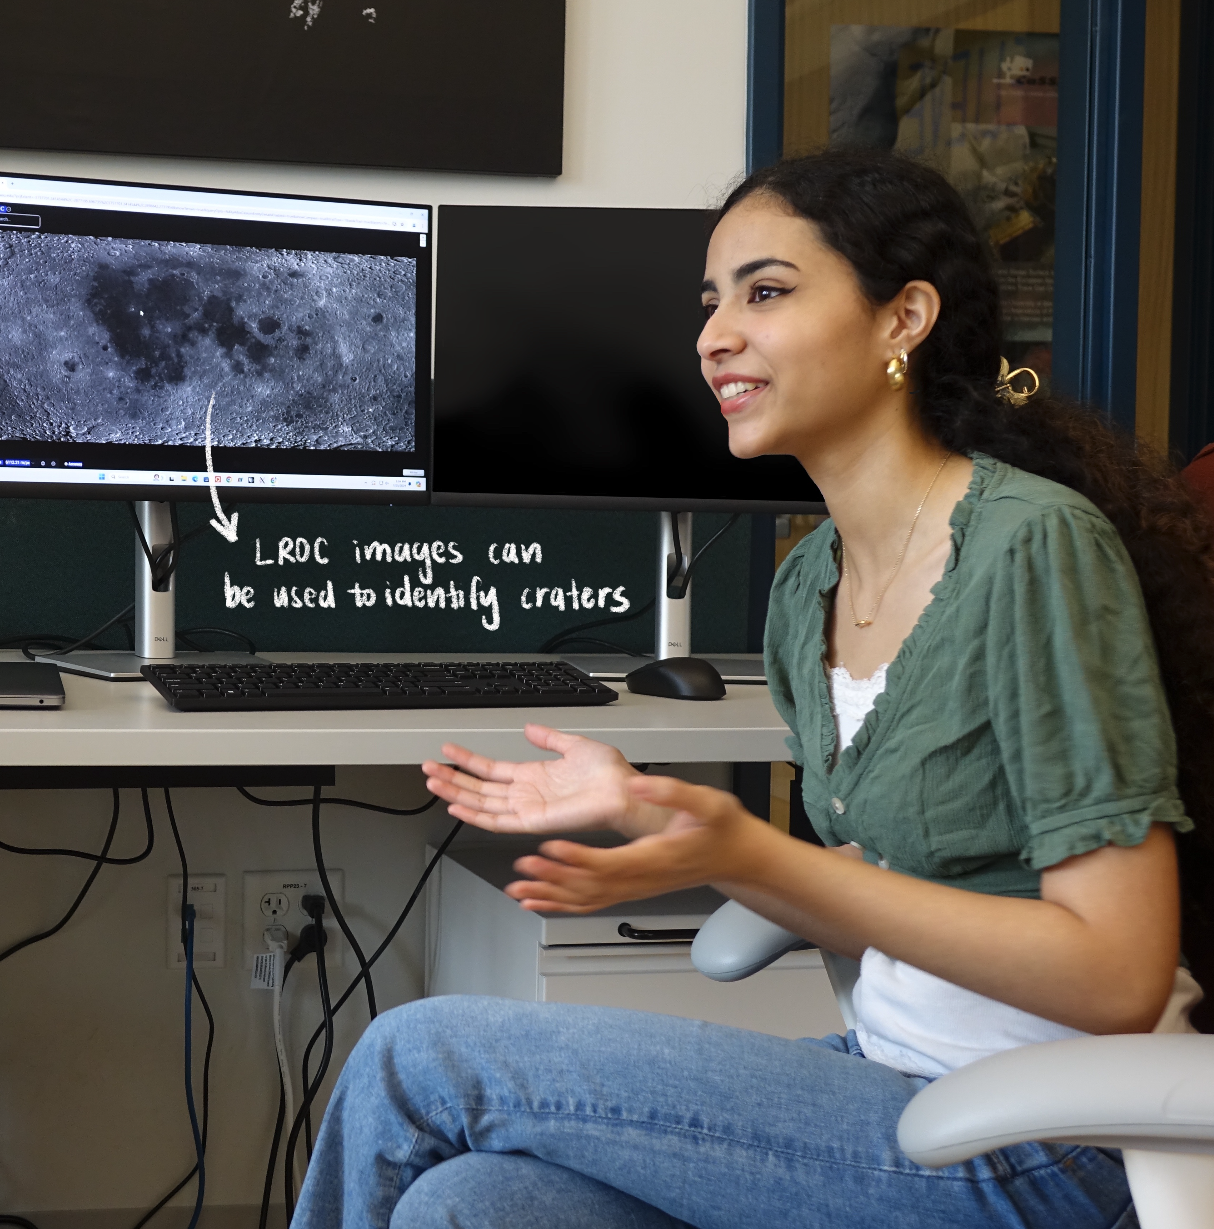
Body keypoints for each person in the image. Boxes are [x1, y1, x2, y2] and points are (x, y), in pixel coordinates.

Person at [292, 149, 1214, 1229]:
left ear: (901, 319)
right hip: (893, 1079)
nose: (712, 335)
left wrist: (742, 850)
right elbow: (908, 866)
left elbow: (1115, 973)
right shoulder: (807, 583)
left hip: (1044, 1144)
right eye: (710, 302)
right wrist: (652, 813)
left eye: (765, 292)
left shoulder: (1027, 548)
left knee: (420, 1054)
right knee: (472, 1202)